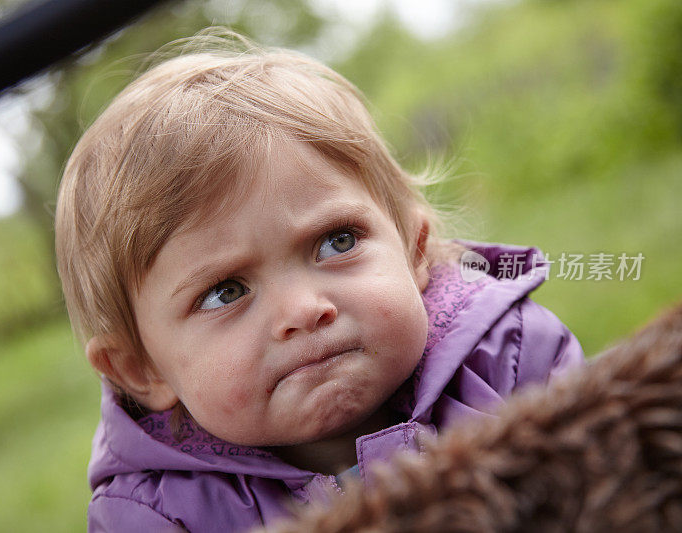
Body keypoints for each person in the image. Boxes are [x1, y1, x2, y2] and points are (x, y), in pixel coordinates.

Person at [54, 30, 585, 532]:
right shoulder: (156, 514)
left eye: (337, 242)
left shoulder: (512, 360)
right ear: (139, 368)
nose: (304, 310)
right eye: (225, 292)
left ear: (414, 248)